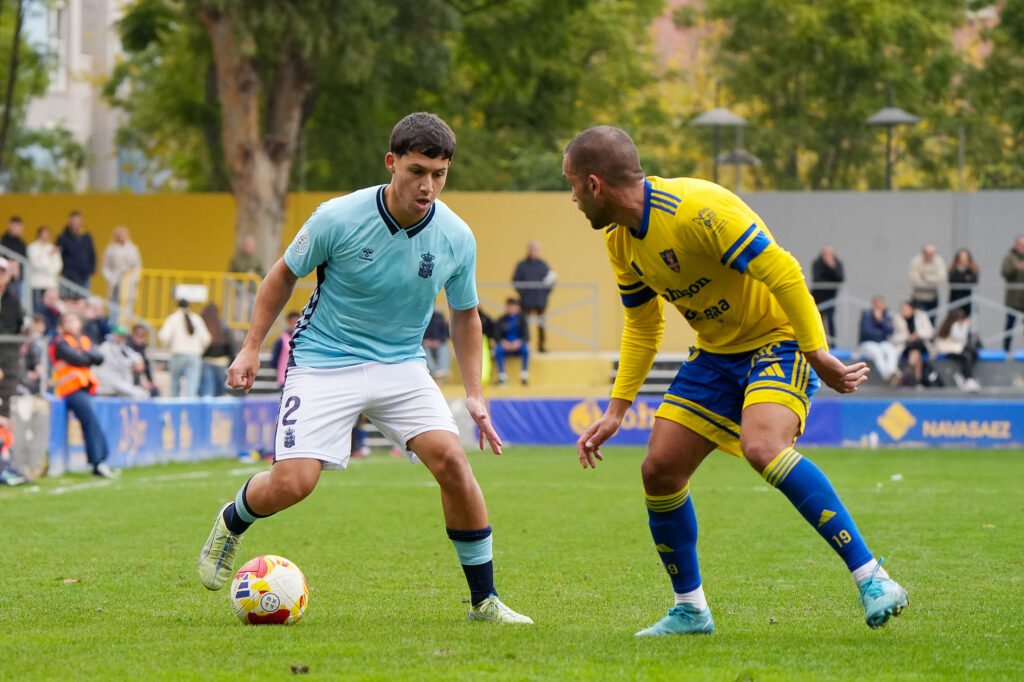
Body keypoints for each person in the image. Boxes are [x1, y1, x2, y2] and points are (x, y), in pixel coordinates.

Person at [562, 125, 906, 636]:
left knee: (762, 447)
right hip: (716, 352)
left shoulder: (698, 209)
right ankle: (691, 610)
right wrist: (616, 409)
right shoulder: (619, 239)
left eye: (570, 185)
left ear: (594, 184)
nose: (571, 198)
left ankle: (873, 576)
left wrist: (817, 353)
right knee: (659, 469)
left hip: (779, 338)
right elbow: (643, 321)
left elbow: (784, 272)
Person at [197, 112, 532, 625]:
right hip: (324, 361)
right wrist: (249, 347)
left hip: (401, 364)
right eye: (417, 171)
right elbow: (282, 276)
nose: (427, 187)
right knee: (292, 485)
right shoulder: (337, 217)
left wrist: (475, 394)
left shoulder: (456, 236)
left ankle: (484, 601)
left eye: (439, 175)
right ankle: (232, 519)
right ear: (391, 162)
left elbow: (464, 315)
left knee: (452, 464)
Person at [49, 312, 116, 478]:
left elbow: (99, 358)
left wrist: (84, 355)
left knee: (93, 422)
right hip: (69, 390)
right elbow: (77, 359)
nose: (71, 324)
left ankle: (100, 460)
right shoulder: (60, 341)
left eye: (73, 320)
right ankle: (97, 462)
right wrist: (86, 357)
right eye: (67, 321)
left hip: (85, 389)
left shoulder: (84, 340)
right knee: (90, 422)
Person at [158, 299, 211, 398]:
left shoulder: (173, 318)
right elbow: (207, 338)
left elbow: (164, 336)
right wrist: (200, 349)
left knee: (175, 382)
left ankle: (175, 405)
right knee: (192, 383)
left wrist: (167, 346)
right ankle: (190, 406)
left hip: (177, 354)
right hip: (195, 355)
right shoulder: (197, 319)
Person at [512, 240, 555, 352]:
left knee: (541, 324)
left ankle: (541, 346)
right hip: (526, 301)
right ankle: (524, 346)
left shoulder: (543, 265)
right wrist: (524, 293)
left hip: (540, 301)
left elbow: (551, 281)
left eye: (535, 249)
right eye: (531, 249)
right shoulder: (522, 265)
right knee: (524, 324)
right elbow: (515, 281)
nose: (533, 251)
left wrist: (544, 293)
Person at [94, 326, 150, 399]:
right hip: (109, 381)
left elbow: (134, 355)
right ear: (114, 335)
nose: (122, 338)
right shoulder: (106, 347)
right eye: (119, 336)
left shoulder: (122, 347)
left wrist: (139, 360)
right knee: (139, 394)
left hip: (120, 381)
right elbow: (121, 363)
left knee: (144, 393)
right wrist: (133, 364)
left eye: (123, 336)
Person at [101, 226, 142, 324]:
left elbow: (137, 266)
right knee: (115, 306)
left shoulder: (133, 249)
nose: (122, 237)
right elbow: (105, 267)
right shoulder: (110, 249)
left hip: (129, 281)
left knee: (128, 306)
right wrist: (111, 278)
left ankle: (126, 326)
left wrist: (134, 278)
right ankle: (114, 326)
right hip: (115, 281)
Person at [936, 308, 981, 392]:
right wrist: (965, 326)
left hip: (956, 348)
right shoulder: (954, 325)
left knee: (973, 353)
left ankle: (965, 376)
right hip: (949, 350)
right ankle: (968, 378)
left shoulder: (953, 325)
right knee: (967, 357)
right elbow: (959, 337)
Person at [857, 297, 899, 384]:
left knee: (892, 351)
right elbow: (866, 332)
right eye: (878, 305)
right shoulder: (867, 315)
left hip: (882, 343)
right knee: (877, 353)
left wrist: (881, 321)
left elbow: (890, 331)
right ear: (873, 305)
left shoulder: (886, 316)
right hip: (867, 343)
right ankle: (887, 375)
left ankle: (892, 372)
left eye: (882, 304)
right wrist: (880, 333)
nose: (880, 307)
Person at [810, 246, 844, 346]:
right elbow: (817, 278)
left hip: (831, 297)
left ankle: (833, 344)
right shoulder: (817, 263)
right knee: (819, 320)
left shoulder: (837, 263)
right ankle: (819, 342)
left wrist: (831, 266)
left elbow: (840, 277)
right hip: (819, 297)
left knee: (830, 320)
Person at [56, 210, 96, 293]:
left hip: (84, 276)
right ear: (69, 222)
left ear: (81, 222)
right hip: (68, 277)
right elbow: (58, 256)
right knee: (67, 302)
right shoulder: (62, 238)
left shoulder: (87, 237)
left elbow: (92, 254)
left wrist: (92, 269)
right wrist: (64, 271)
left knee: (84, 302)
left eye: (77, 220)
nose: (75, 223)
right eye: (73, 221)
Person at [199, 303, 233, 397]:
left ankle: (207, 411)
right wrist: (232, 360)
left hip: (206, 361)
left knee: (207, 390)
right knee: (220, 391)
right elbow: (230, 345)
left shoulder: (202, 325)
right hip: (221, 361)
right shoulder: (223, 326)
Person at [494, 297, 529, 385]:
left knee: (526, 349)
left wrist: (518, 342)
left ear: (517, 307)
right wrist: (503, 342)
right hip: (506, 346)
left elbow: (527, 336)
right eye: (509, 306)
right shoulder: (501, 319)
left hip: (518, 345)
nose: (511, 308)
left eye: (513, 306)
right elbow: (496, 335)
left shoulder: (522, 319)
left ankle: (524, 376)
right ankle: (502, 377)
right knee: (498, 349)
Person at [908, 243, 946, 325]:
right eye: (927, 253)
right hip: (918, 297)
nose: (929, 256)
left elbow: (941, 279)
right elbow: (915, 281)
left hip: (932, 297)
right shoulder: (916, 261)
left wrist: (925, 277)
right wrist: (933, 280)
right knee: (917, 322)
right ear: (923, 252)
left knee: (932, 321)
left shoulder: (938, 261)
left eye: (932, 254)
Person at [26, 226, 62, 310]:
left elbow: (58, 266)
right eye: (44, 234)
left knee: (51, 308)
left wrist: (48, 267)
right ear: (39, 235)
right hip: (37, 284)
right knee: (38, 308)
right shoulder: (33, 247)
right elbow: (37, 264)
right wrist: (49, 255)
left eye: (48, 234)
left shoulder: (52, 247)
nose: (47, 236)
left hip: (51, 284)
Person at [1000, 236, 1024, 352]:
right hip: (1013, 299)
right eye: (1020, 244)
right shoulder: (1009, 258)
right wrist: (1016, 267)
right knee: (1010, 325)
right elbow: (1005, 272)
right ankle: (1006, 350)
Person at [19, 314, 49, 394]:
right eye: (33, 323)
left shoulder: (43, 342)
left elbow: (41, 362)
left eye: (38, 323)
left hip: (40, 379)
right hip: (27, 378)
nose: (35, 326)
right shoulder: (25, 341)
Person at [270, 312, 300, 389]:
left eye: (297, 322)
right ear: (288, 322)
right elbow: (274, 361)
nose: (294, 325)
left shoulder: (303, 339)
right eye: (292, 322)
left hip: (299, 377)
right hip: (285, 378)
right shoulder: (281, 340)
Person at [127, 324, 158, 396]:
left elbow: (146, 364)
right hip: (126, 382)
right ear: (133, 334)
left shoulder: (141, 346)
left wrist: (151, 381)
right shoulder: (126, 347)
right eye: (139, 335)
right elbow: (127, 369)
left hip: (135, 382)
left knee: (155, 390)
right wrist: (141, 384)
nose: (142, 338)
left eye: (144, 336)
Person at [422, 307, 451, 381]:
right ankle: (433, 372)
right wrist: (425, 341)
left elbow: (446, 332)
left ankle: (443, 369)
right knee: (424, 350)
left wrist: (439, 341)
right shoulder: (420, 317)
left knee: (444, 347)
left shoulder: (439, 316)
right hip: (425, 344)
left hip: (439, 343)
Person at [1, 216, 27, 300]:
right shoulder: (3, 241)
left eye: (20, 226)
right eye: (16, 225)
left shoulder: (22, 243)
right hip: (6, 277)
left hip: (19, 278)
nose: (18, 228)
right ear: (10, 225)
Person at [948, 248, 978, 316]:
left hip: (968, 299)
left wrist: (963, 278)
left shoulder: (972, 270)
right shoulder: (953, 269)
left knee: (967, 321)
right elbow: (953, 280)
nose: (963, 259)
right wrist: (966, 278)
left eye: (965, 257)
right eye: (961, 257)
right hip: (955, 299)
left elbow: (974, 281)